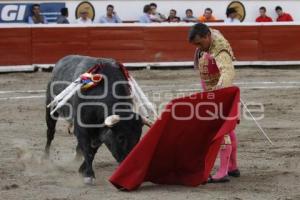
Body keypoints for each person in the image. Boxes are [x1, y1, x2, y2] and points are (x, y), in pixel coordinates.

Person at [189, 23, 240, 183]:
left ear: (207, 37)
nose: (198, 47)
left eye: (199, 43)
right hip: (212, 90)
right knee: (228, 130)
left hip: (218, 92)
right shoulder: (209, 35)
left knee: (221, 130)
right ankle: (232, 167)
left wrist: (220, 94)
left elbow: (228, 72)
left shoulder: (219, 50)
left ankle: (223, 171)